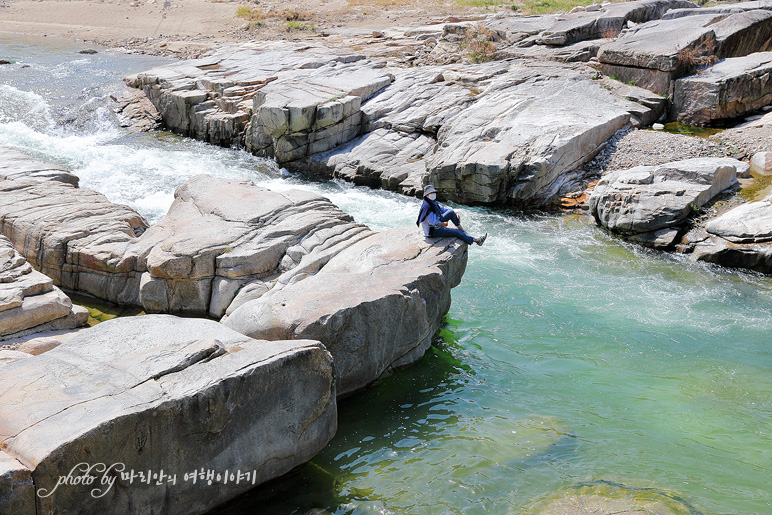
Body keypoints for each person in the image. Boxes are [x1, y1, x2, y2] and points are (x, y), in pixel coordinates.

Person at [416, 185, 487, 246]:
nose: (433, 194)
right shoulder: (427, 207)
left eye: (433, 192)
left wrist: (456, 213)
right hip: (432, 230)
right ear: (426, 195)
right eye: (431, 193)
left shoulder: (432, 202)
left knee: (451, 212)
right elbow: (432, 223)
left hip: (436, 223)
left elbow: (443, 209)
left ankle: (463, 231)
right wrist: (443, 224)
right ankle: (477, 241)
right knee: (456, 232)